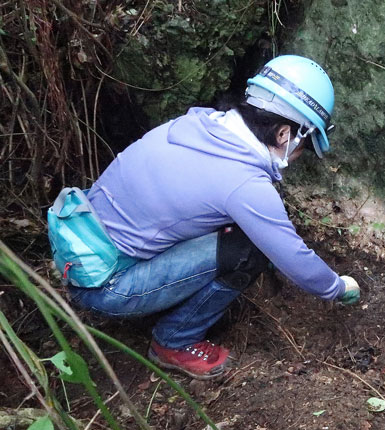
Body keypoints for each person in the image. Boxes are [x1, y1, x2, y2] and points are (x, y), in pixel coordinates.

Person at [63, 55, 361, 380]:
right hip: (108, 286)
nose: (302, 155)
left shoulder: (199, 125)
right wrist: (336, 288)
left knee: (236, 233)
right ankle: (173, 343)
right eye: (305, 144)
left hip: (82, 252)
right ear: (284, 135)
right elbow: (292, 255)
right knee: (250, 250)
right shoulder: (245, 183)